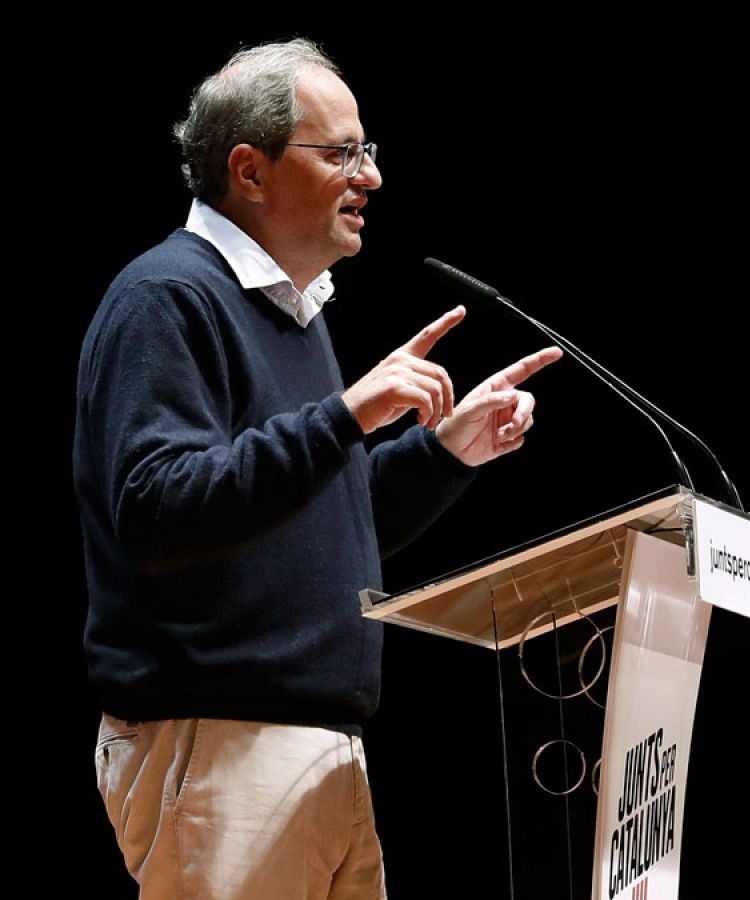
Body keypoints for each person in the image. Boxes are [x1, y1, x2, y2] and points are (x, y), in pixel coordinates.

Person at [72, 38, 562, 899]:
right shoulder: (167, 297)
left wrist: (446, 451)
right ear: (250, 171)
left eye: (366, 151)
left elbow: (315, 520)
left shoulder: (294, 313)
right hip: (222, 747)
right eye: (341, 153)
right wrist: (345, 415)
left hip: (320, 750)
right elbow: (158, 510)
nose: (370, 176)